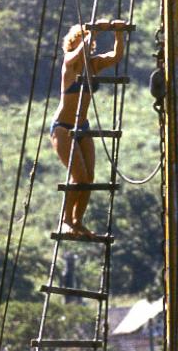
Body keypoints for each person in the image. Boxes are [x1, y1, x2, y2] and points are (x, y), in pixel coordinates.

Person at [50, 18, 127, 237]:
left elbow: (116, 56)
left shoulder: (93, 64)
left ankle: (77, 220)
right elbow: (74, 55)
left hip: (83, 126)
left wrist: (118, 34)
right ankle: (65, 220)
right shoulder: (69, 64)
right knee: (78, 176)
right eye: (81, 42)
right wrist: (91, 33)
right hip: (63, 127)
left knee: (89, 178)